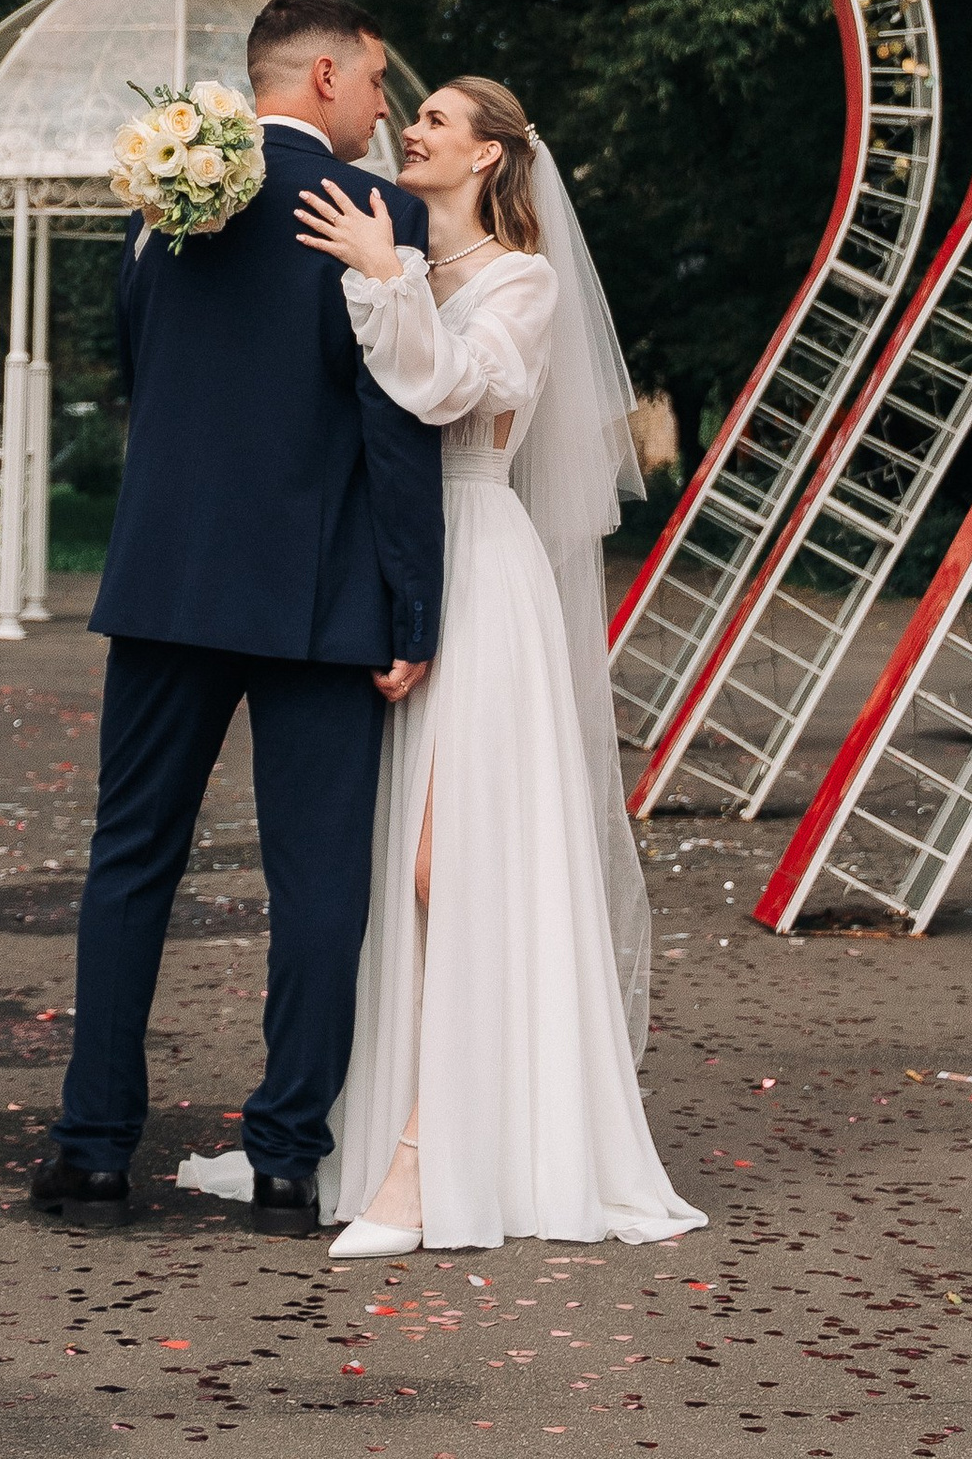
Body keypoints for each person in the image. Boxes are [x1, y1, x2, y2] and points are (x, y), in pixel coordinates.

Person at [31, 0, 444, 1239]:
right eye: (374, 79)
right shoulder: (382, 216)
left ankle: (96, 1152)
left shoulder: (166, 195)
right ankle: (285, 1160)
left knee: (129, 862)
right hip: (321, 593)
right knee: (319, 882)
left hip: (166, 582)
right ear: (322, 75)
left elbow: (139, 357)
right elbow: (395, 423)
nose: (385, 104)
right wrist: (412, 608)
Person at [294, 76, 706, 1256]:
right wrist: (385, 269)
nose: (409, 127)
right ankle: (405, 1142)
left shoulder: (521, 281)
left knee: (450, 868)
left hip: (484, 565)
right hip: (409, 571)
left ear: (485, 158)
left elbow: (450, 391)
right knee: (410, 872)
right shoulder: (393, 252)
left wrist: (387, 275)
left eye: (433, 120)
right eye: (408, 112)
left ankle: (431, 1161)